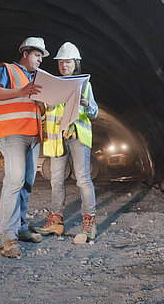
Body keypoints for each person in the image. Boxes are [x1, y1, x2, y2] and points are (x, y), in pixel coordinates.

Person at [0, 36, 48, 258]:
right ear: (25, 53)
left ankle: (21, 227)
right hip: (12, 133)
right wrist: (23, 91)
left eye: (42, 56)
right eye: (37, 54)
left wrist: (41, 104)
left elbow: (33, 108)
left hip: (32, 135)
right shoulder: (7, 69)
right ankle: (8, 236)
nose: (40, 59)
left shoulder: (35, 80)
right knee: (15, 180)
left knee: (27, 183)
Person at [36, 42, 99, 243]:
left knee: (82, 178)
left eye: (68, 62)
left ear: (76, 63)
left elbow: (94, 112)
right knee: (56, 179)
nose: (64, 65)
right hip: (57, 137)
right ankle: (56, 220)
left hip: (79, 135)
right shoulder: (52, 86)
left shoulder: (85, 85)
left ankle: (89, 222)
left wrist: (86, 104)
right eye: (61, 62)